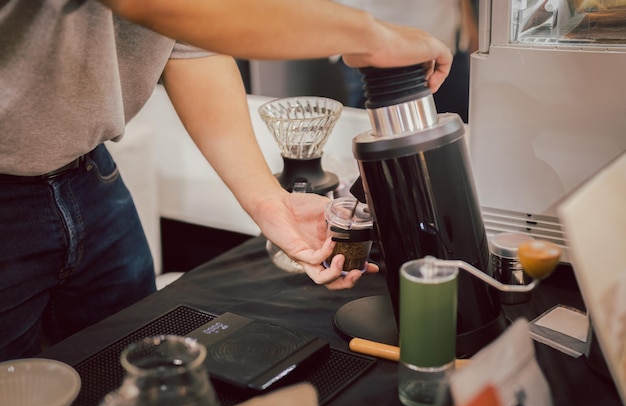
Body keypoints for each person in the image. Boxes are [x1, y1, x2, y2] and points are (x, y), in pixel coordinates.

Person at [0, 0, 452, 361]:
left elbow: (193, 47)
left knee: (134, 369)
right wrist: (374, 35)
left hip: (89, 178)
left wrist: (267, 200)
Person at [333, 0, 478, 122]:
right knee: (383, 138)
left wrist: (473, 25)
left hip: (446, 37)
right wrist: (368, 38)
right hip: (367, 40)